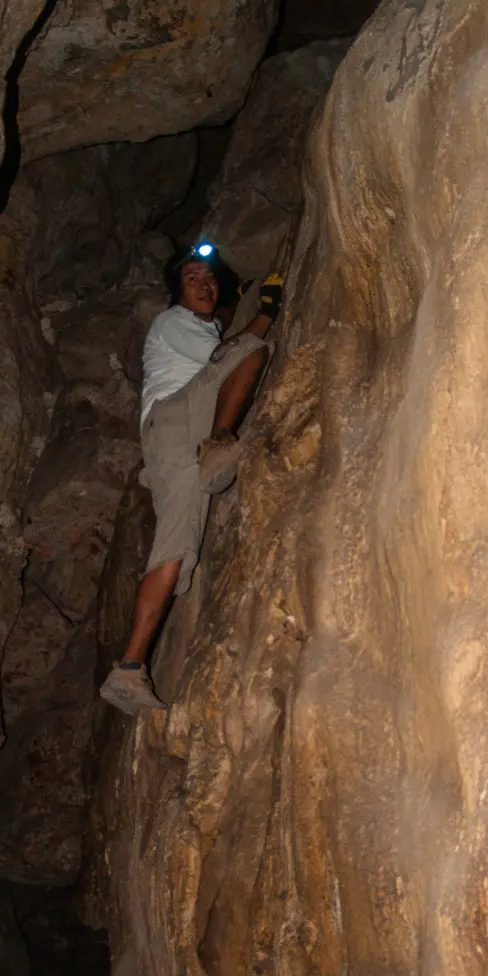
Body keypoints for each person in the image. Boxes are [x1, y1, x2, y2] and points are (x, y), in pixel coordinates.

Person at [99, 246, 283, 715]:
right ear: (176, 291)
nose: (205, 285)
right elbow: (223, 355)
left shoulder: (199, 323)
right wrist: (266, 308)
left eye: (210, 279)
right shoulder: (171, 322)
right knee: (251, 349)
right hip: (177, 421)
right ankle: (218, 443)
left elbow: (218, 325)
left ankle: (130, 668)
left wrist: (234, 298)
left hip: (175, 435)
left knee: (178, 550)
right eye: (193, 278)